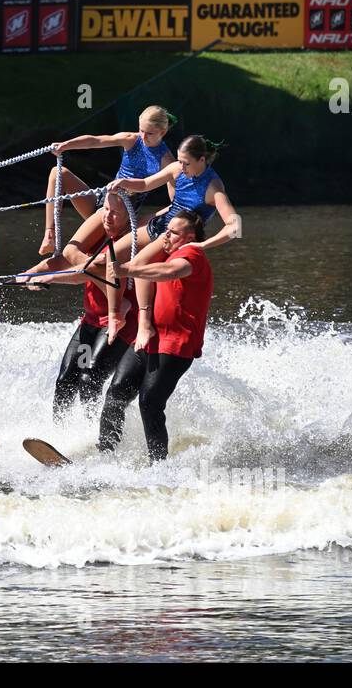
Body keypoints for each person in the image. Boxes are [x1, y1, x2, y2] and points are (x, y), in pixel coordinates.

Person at [98, 210, 214, 463]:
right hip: (149, 338)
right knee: (116, 393)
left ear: (189, 237)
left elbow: (169, 272)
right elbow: (143, 266)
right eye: (165, 230)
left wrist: (124, 269)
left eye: (172, 232)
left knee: (149, 403)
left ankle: (158, 466)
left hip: (176, 346)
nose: (165, 236)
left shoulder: (192, 254)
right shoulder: (169, 249)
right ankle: (105, 456)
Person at [33, 205, 137, 421]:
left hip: (119, 324)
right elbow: (64, 261)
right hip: (91, 323)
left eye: (114, 212)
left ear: (129, 217)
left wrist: (50, 278)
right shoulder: (97, 235)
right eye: (105, 209)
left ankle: (91, 433)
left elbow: (86, 273)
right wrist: (29, 274)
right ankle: (60, 433)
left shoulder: (128, 244)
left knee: (90, 379)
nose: (106, 216)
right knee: (66, 380)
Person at [38, 105, 177, 261]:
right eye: (141, 130)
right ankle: (50, 233)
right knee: (58, 173)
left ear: (162, 132)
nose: (143, 137)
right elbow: (97, 141)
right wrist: (66, 145)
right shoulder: (132, 140)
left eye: (149, 133)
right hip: (104, 201)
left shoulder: (166, 160)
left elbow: (175, 200)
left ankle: (95, 267)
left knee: (71, 252)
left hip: (122, 213)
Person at [108, 134, 241, 263]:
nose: (182, 167)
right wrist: (124, 182)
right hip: (159, 225)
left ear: (201, 160)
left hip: (177, 235)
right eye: (180, 161)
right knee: (112, 254)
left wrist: (203, 245)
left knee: (138, 265)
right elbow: (145, 184)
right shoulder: (177, 168)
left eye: (186, 163)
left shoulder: (213, 187)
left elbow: (235, 226)